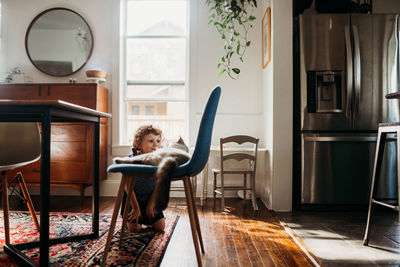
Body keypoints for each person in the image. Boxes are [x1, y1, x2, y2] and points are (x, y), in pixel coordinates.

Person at [121, 125, 166, 232]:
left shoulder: (159, 161)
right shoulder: (131, 160)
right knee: (134, 229)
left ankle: (147, 217)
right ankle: (132, 218)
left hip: (150, 198)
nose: (156, 144)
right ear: (139, 144)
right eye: (151, 141)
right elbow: (128, 187)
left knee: (160, 227)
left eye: (158, 141)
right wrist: (136, 208)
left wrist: (151, 205)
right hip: (132, 200)